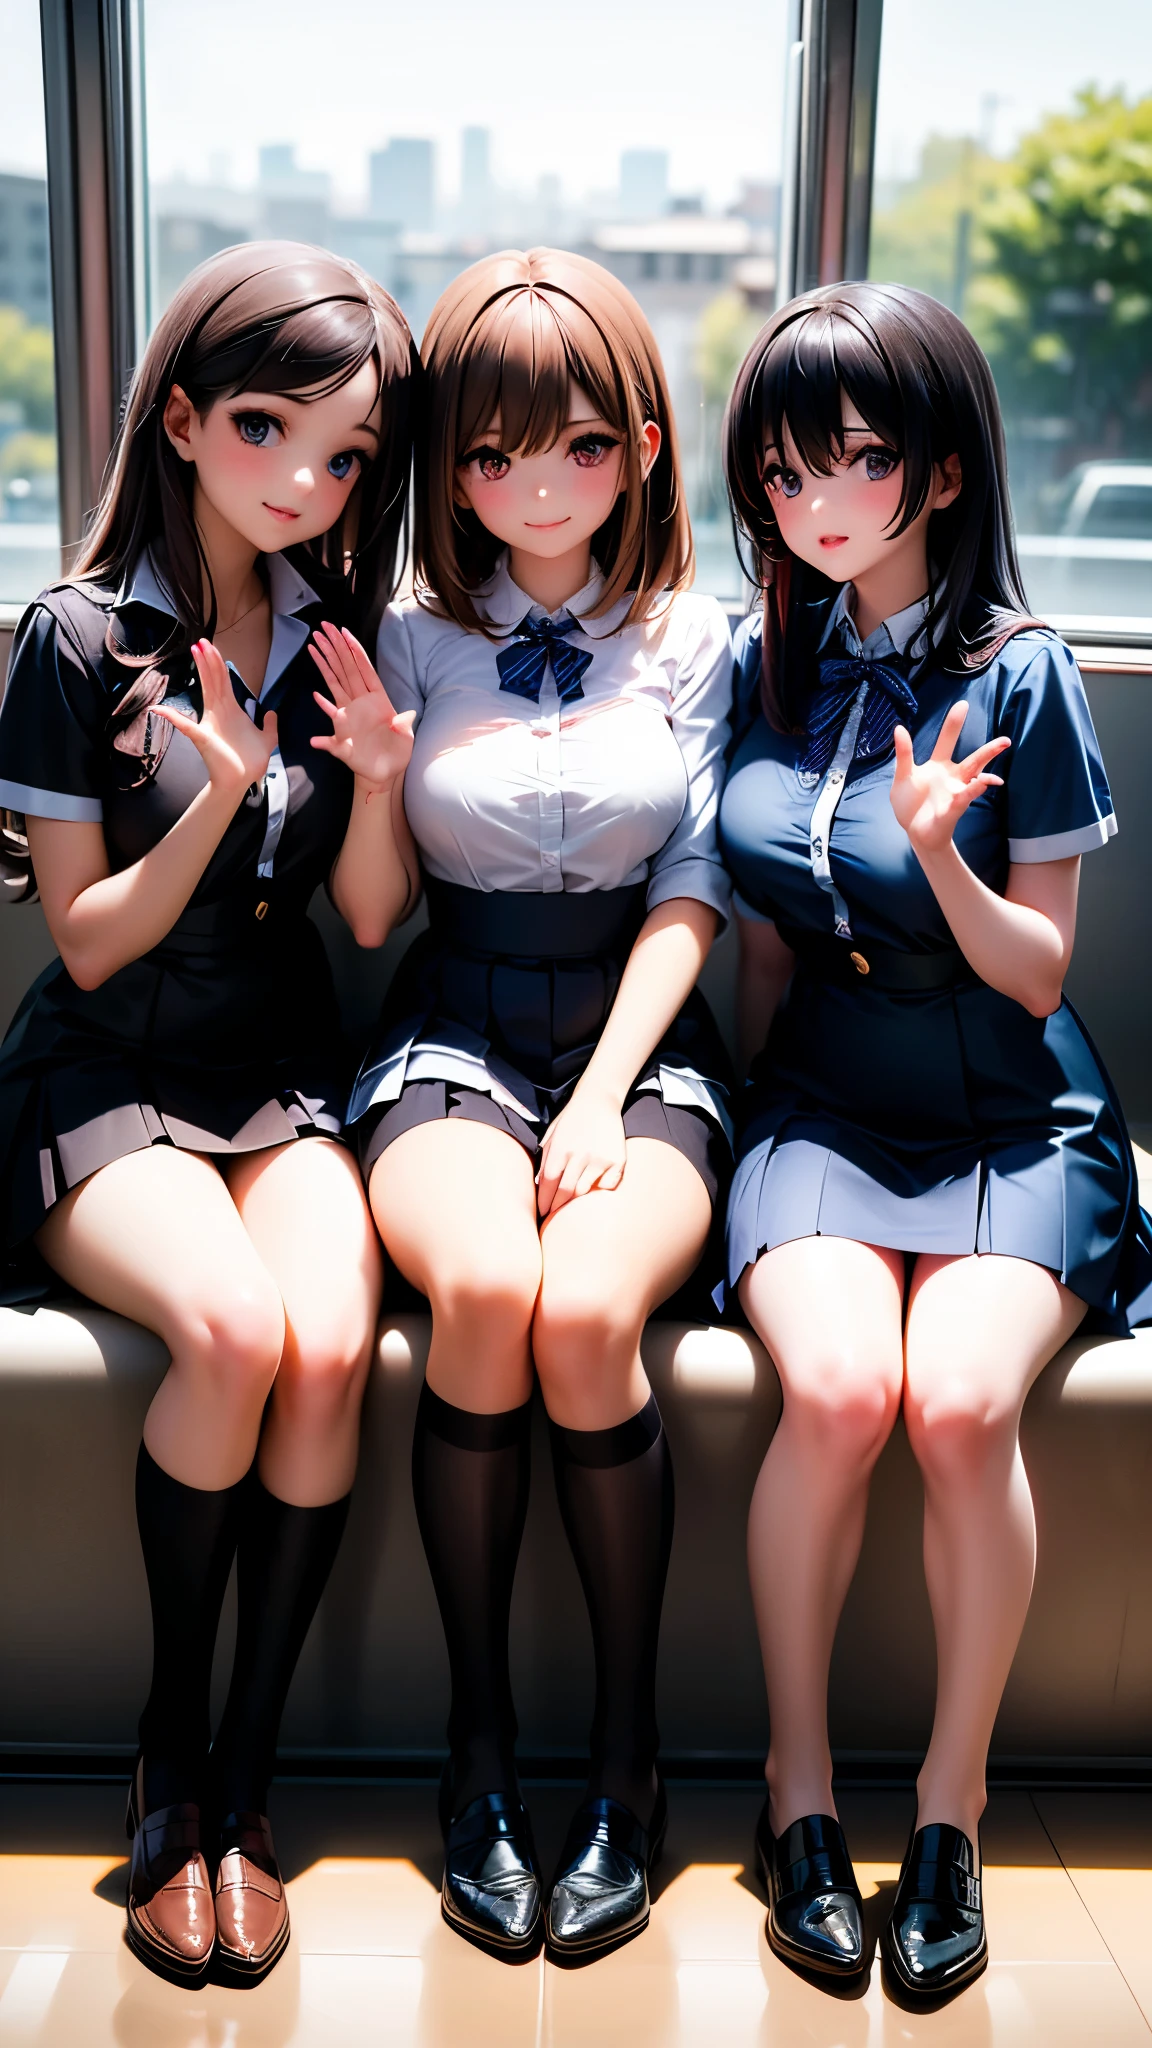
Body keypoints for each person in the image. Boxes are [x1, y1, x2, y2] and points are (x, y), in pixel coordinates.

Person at [718, 280, 1152, 2001]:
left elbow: (1042, 967)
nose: (817, 504)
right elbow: (757, 942)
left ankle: (952, 1810)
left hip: (1005, 1110)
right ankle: (799, 1797)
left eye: (859, 461)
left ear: (947, 475)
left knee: (960, 1407)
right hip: (821, 1103)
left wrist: (945, 859)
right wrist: (716, 1158)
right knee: (838, 1395)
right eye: (785, 470)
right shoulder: (773, 657)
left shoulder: (1021, 676)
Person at [0, 243, 419, 1987]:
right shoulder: (75, 636)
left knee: (328, 1350)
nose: (304, 482)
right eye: (264, 429)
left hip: (283, 1073)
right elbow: (87, 945)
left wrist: (373, 781)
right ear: (178, 420)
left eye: (340, 454)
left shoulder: (335, 633)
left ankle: (250, 1782)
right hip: (107, 1076)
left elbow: (379, 920)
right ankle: (169, 1768)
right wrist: (220, 795)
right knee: (239, 1334)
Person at [319, 247, 734, 1961]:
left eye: (567, 445)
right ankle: (478, 1759)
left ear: (639, 446)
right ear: (452, 468)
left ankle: (625, 1762)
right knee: (486, 1291)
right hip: (455, 1033)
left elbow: (694, 895)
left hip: (645, 1041)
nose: (529, 487)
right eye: (489, 457)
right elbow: (362, 920)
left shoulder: (699, 638)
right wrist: (382, 786)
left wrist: (613, 1096)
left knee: (580, 1320)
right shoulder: (412, 634)